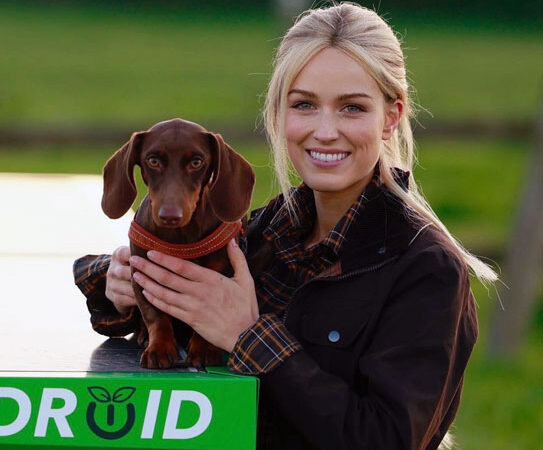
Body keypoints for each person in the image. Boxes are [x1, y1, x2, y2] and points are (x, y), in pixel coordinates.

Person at [74, 3, 497, 449]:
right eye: (304, 105)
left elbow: (385, 439)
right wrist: (121, 281)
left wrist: (249, 338)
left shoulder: (426, 269)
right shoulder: (270, 230)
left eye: (352, 108)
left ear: (390, 118)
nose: (325, 131)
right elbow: (182, 295)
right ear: (279, 113)